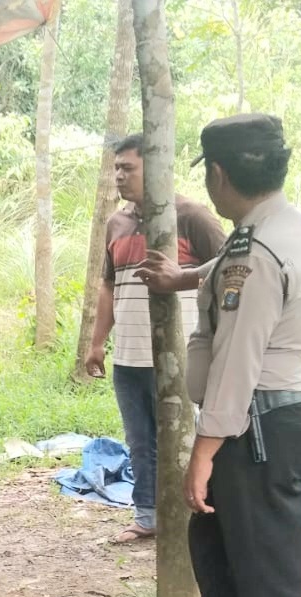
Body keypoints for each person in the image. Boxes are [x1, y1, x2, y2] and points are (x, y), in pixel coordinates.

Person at [136, 114, 301, 597]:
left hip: (257, 426)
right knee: (219, 549)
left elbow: (239, 361)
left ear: (218, 175)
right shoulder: (278, 228)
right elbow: (226, 274)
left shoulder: (258, 249)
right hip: (258, 423)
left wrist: (203, 451)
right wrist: (183, 277)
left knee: (267, 567)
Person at [84, 133, 227, 544]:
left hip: (180, 357)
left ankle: (200, 513)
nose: (119, 176)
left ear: (157, 170)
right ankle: (148, 517)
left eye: (128, 168)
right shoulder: (117, 223)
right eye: (116, 168)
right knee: (140, 440)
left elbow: (226, 268)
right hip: (129, 358)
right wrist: (98, 343)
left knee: (186, 437)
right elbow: (109, 286)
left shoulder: (193, 217)